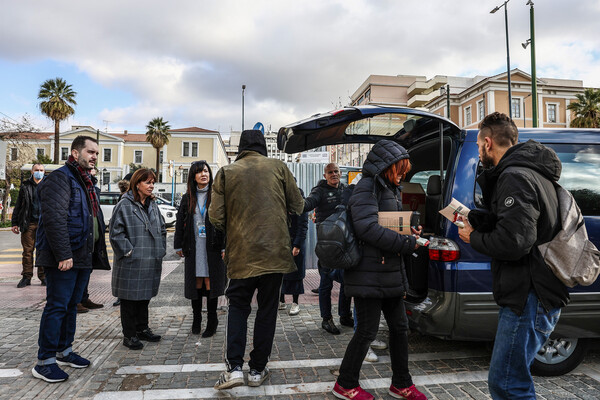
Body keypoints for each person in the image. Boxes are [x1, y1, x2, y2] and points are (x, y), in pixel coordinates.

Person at [458, 112, 568, 399]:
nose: (479, 152)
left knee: (508, 383)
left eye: (479, 146)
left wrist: (474, 237)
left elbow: (516, 242)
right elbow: (521, 225)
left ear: (487, 142)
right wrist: (478, 219)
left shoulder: (514, 176)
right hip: (532, 293)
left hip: (529, 296)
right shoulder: (530, 172)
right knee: (511, 380)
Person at [332, 139, 427, 400]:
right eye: (400, 169)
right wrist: (407, 243)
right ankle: (345, 384)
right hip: (368, 273)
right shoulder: (366, 187)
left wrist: (409, 230)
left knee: (399, 327)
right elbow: (368, 228)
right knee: (366, 331)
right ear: (387, 167)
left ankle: (401, 383)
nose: (403, 174)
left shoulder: (389, 189)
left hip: (389, 271)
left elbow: (387, 223)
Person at [209, 129, 304, 390]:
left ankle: (234, 368)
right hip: (275, 254)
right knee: (267, 309)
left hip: (241, 255)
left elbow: (215, 216)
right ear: (263, 146)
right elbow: (298, 205)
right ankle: (257, 369)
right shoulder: (279, 167)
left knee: (238, 306)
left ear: (241, 148)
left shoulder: (227, 172)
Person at [32, 136, 110, 383]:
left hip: (82, 255)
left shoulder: (85, 181)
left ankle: (64, 351)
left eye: (97, 153)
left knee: (72, 305)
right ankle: (44, 361)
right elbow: (55, 219)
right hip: (64, 257)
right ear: (75, 153)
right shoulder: (60, 178)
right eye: (90, 152)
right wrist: (63, 254)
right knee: (57, 306)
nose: (94, 156)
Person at [110, 168, 167, 351]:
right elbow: (116, 233)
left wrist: (161, 249)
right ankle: (129, 335)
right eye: (148, 182)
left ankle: (142, 328)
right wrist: (129, 252)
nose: (151, 186)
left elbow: (162, 228)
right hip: (132, 261)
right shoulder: (125, 205)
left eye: (153, 182)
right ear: (137, 184)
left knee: (144, 297)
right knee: (129, 300)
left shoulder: (153, 205)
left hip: (150, 259)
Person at [174, 161, 226, 337]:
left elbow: (225, 222)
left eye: (206, 171)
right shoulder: (188, 196)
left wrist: (225, 245)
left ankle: (212, 320)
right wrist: (178, 244)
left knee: (210, 281)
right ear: (193, 176)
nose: (204, 174)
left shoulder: (217, 195)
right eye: (199, 172)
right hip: (194, 245)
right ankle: (197, 318)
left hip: (212, 245)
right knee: (196, 282)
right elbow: (180, 221)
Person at [303, 163, 353, 334]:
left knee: (347, 280)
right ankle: (326, 319)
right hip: (326, 245)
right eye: (330, 172)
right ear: (325, 175)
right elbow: (308, 203)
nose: (334, 174)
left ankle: (345, 316)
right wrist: (297, 204)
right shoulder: (319, 191)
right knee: (326, 283)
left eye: (336, 172)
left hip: (344, 243)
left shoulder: (345, 189)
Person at [12, 163, 46, 288]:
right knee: (27, 252)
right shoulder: (25, 186)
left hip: (44, 224)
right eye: (37, 170)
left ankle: (43, 277)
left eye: (41, 170)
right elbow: (18, 205)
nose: (39, 172)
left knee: (42, 251)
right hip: (29, 223)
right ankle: (26, 277)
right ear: (32, 172)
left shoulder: (48, 185)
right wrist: (14, 223)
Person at [77, 166, 104, 313]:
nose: (92, 173)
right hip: (82, 237)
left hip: (93, 237)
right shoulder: (80, 188)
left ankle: (83, 297)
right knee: (80, 270)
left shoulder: (93, 190)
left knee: (87, 270)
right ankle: (76, 300)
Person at [279, 186, 308, 316]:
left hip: (296, 244)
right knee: (281, 273)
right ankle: (281, 300)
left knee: (296, 275)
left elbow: (303, 227)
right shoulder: (281, 202)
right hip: (282, 244)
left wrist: (297, 245)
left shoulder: (300, 203)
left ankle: (295, 303)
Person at [112, 178, 131, 308]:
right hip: (127, 243)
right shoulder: (124, 201)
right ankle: (122, 297)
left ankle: (121, 297)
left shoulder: (122, 199)